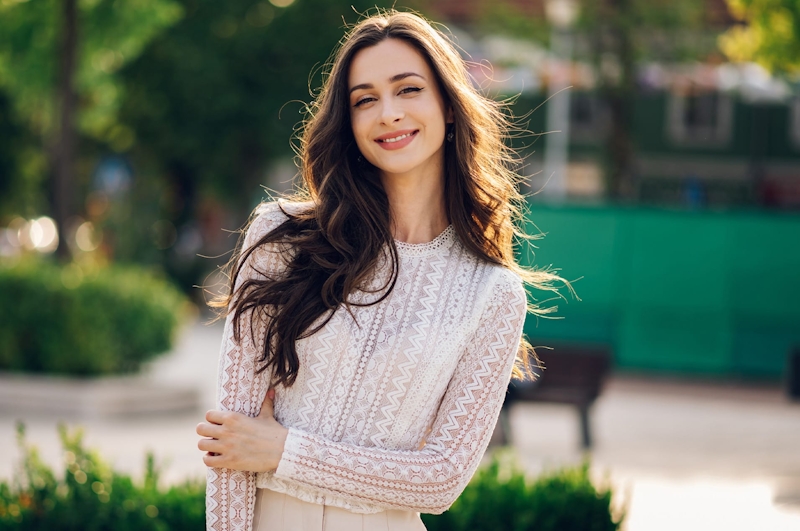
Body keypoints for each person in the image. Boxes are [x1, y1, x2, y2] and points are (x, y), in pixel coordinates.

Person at [196, 9, 565, 531]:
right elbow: (230, 443)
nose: (388, 113)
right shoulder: (280, 237)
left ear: (449, 106)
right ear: (348, 123)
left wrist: (285, 452)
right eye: (365, 99)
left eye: (408, 89)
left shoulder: (493, 293)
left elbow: (440, 481)